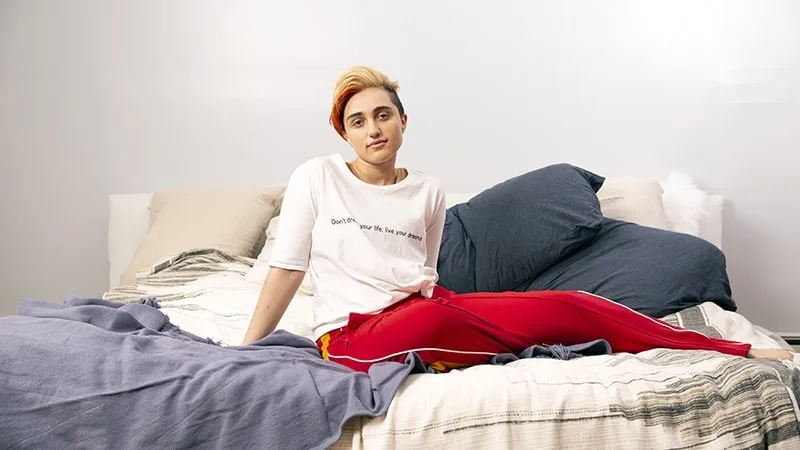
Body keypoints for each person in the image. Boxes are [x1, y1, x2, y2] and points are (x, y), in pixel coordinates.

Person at [242, 65, 794, 373]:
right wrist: (247, 349)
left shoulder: (427, 191)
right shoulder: (316, 176)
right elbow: (288, 267)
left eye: (382, 114)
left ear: (403, 121)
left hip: (425, 310)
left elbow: (425, 274)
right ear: (345, 134)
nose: (372, 129)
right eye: (357, 121)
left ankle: (736, 350)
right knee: (439, 324)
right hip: (349, 335)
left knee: (571, 305)